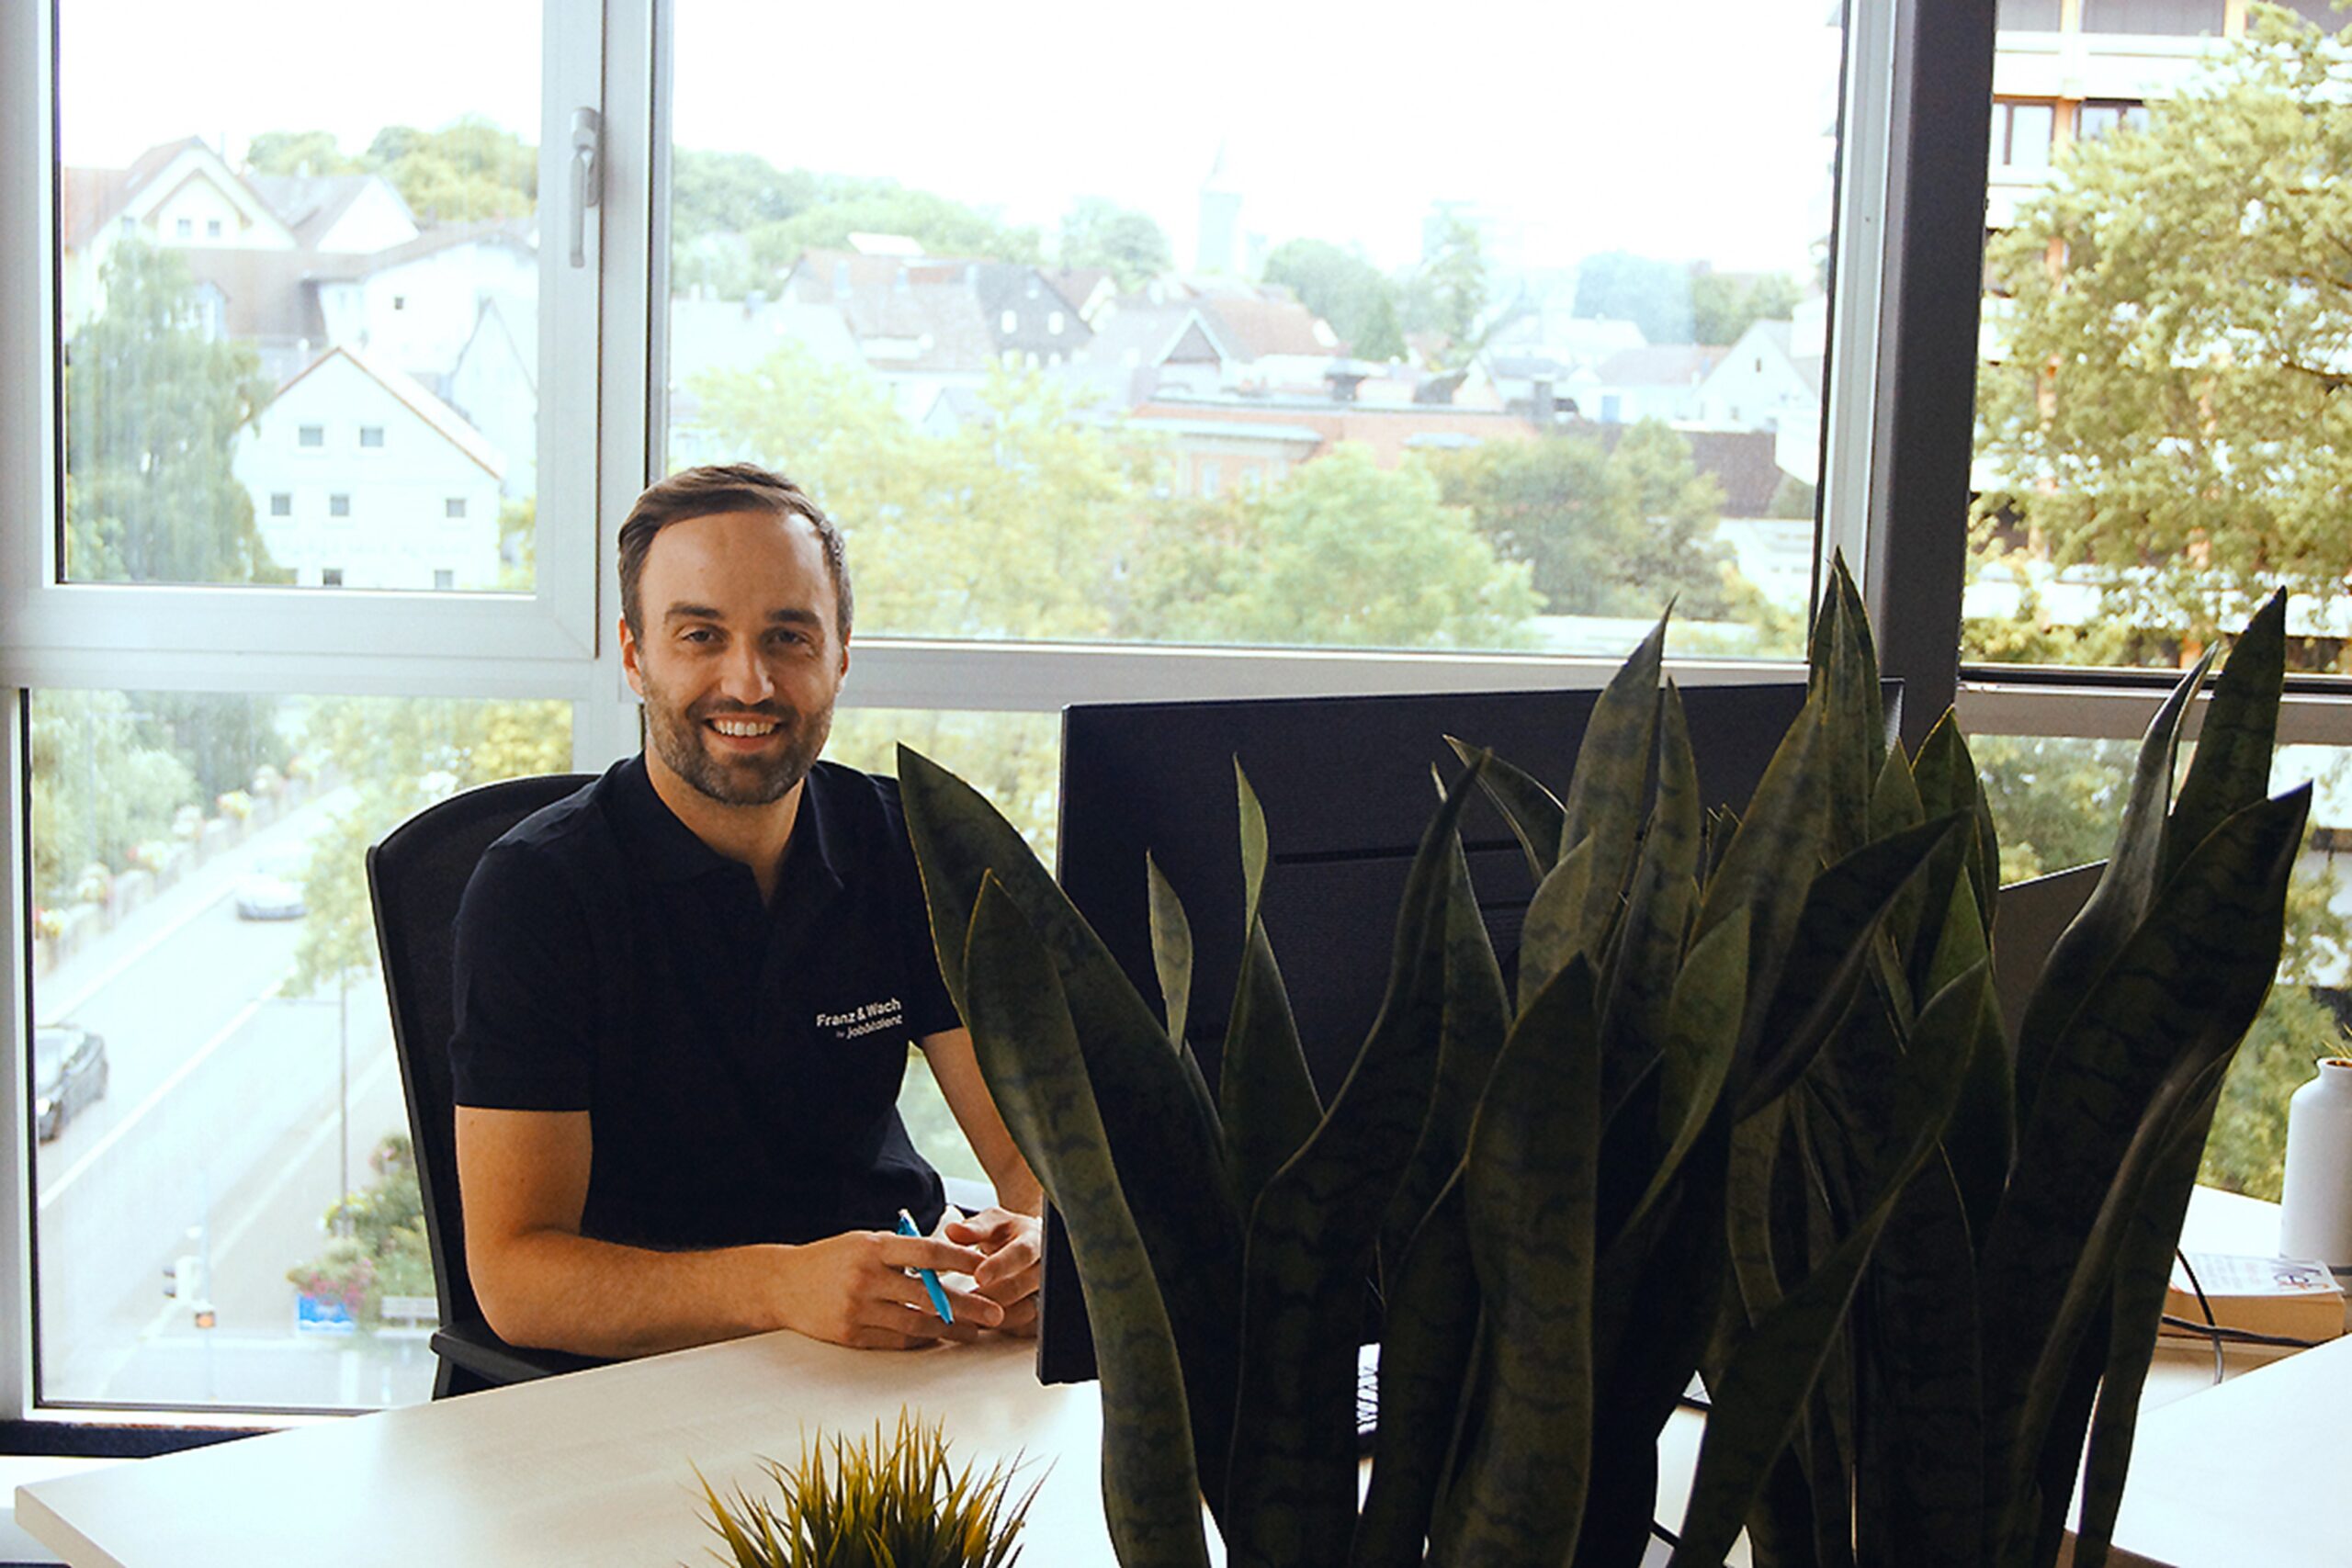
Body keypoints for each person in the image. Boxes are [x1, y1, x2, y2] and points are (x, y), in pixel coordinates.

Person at [447, 462, 1043, 1359]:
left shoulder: (911, 847)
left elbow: (1036, 1161)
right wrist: (781, 1286)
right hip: (645, 1391)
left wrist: (1043, 1243)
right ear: (636, 653)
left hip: (902, 1346)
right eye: (700, 636)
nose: (750, 684)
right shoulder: (538, 892)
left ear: (841, 651)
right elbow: (516, 1281)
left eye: (788, 637)